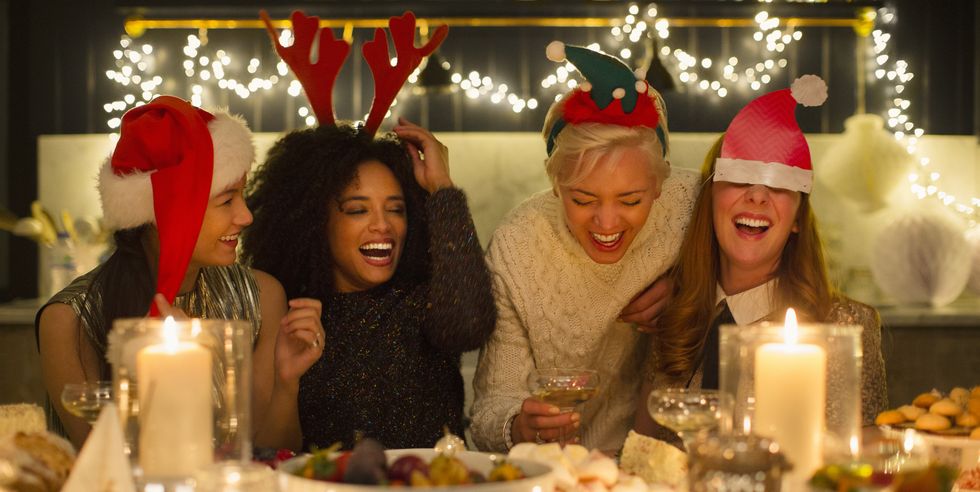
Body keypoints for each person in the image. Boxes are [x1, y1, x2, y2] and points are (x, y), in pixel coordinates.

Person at [35, 96, 324, 449]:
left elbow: (271, 454)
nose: (246, 216)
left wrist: (286, 381)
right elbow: (106, 469)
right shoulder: (69, 321)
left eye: (242, 195)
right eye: (226, 200)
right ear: (167, 211)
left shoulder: (263, 296)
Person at [469, 41, 700, 454]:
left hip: (672, 463)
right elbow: (488, 413)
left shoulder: (693, 206)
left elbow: (765, 270)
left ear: (662, 185)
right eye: (583, 199)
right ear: (555, 185)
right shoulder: (519, 246)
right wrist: (519, 426)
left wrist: (691, 286)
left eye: (631, 200)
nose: (607, 223)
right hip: (558, 469)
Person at [633, 76, 888, 443]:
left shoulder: (846, 328)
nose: (757, 196)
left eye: (779, 183)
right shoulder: (674, 318)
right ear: (710, 200)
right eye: (740, 177)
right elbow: (640, 458)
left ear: (798, 218)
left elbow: (863, 467)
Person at [241, 119, 496, 451]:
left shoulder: (423, 301)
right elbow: (271, 456)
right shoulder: (289, 316)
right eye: (358, 210)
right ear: (315, 221)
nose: (382, 225)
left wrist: (442, 188)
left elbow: (470, 324)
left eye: (396, 209)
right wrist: (288, 382)